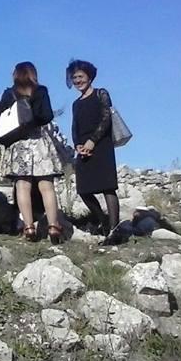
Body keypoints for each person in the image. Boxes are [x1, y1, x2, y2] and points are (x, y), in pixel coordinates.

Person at [0, 62, 63, 243]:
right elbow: (48, 115)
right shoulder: (41, 91)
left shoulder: (8, 93)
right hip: (39, 142)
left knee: (22, 187)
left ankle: (28, 227)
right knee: (47, 187)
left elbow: (2, 117)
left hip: (19, 143)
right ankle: (53, 226)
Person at [67, 59, 119, 235]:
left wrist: (93, 141)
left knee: (107, 187)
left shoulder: (101, 94)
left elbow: (106, 119)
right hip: (83, 149)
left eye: (80, 76)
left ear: (89, 77)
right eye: (74, 78)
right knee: (83, 189)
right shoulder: (76, 103)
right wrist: (78, 145)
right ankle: (102, 221)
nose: (77, 81)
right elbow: (75, 127)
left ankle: (114, 229)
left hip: (102, 145)